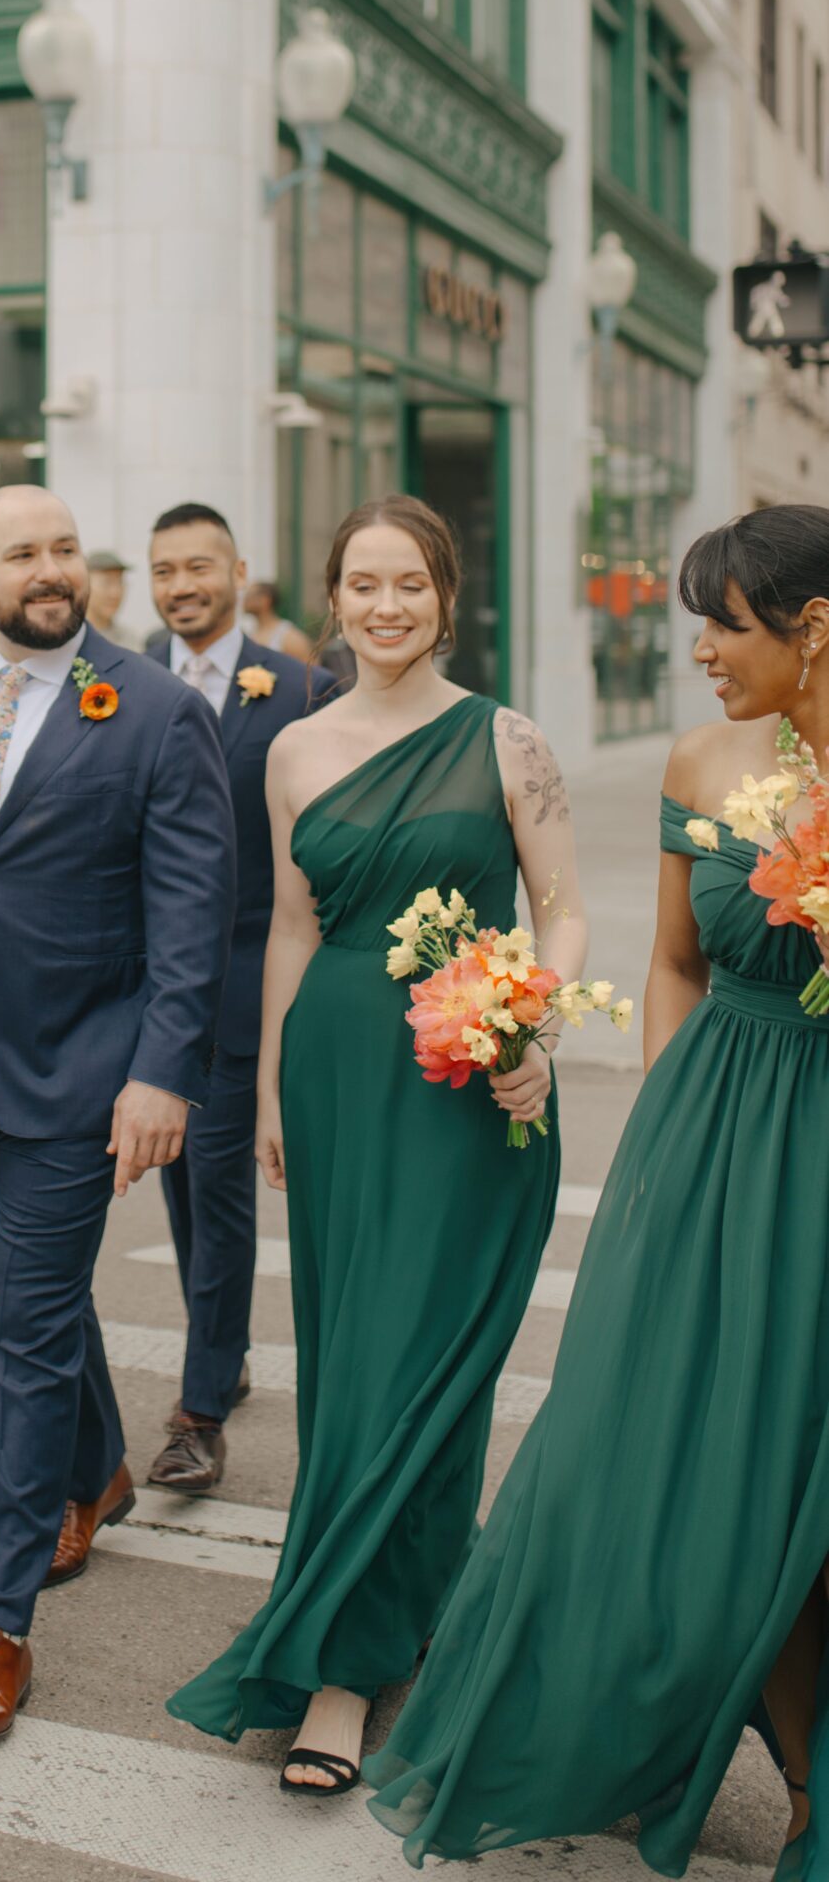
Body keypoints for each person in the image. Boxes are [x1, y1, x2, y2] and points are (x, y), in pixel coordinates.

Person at [365, 503, 829, 1875]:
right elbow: (677, 961)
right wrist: (661, 1145)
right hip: (718, 1135)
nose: (695, 650)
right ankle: (795, 1779)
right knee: (708, 1471)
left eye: (723, 624)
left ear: (812, 630)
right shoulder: (704, 758)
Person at [168, 494, 587, 1798]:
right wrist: (274, 1095)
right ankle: (382, 1619)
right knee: (355, 1365)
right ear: (332, 598)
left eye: (408, 584)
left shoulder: (503, 738)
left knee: (429, 1361)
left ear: (444, 597)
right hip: (340, 1073)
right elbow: (291, 927)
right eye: (361, 584)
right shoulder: (291, 749)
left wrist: (531, 1028)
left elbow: (563, 909)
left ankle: (340, 1673)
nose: (385, 606)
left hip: (471, 1081)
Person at [0, 484, 237, 1748]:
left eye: (64, 548)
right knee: (38, 1295)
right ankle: (99, 1469)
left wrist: (160, 1074)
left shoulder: (151, 710)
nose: (47, 568)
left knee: (21, 1332)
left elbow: (191, 915)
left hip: (83, 1073)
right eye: (19, 551)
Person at [143, 503, 337, 1493]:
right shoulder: (115, 679)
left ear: (237, 571)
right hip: (141, 988)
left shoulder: (304, 687)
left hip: (243, 980)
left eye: (198, 567)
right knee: (179, 1186)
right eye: (163, 570)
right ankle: (225, 1350)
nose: (181, 586)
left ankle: (198, 1411)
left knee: (215, 1191)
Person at [242, 579, 315, 666]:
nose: (244, 600)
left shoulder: (289, 638)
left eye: (249, 596)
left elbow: (312, 672)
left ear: (265, 600)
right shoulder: (249, 634)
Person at [86, 547, 144, 652]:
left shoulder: (131, 641)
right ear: (84, 585)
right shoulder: (71, 639)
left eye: (120, 582)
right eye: (107, 583)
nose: (115, 593)